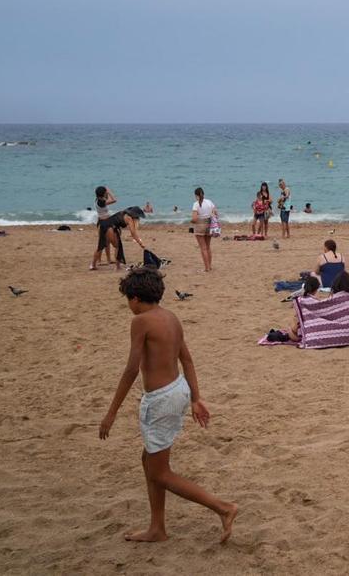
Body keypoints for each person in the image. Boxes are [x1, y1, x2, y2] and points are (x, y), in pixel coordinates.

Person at [98, 267, 237, 543]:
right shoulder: (172, 317)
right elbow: (187, 359)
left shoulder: (141, 322)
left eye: (128, 299)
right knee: (148, 459)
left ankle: (223, 508)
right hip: (178, 391)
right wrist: (196, 398)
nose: (128, 305)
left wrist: (110, 413)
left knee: (159, 471)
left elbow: (130, 370)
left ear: (135, 298)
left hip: (161, 399)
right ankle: (157, 528)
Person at [91, 186, 119, 270]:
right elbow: (114, 200)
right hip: (106, 223)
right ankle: (118, 266)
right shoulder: (101, 202)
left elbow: (106, 198)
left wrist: (105, 192)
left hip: (101, 223)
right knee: (116, 245)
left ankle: (93, 265)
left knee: (102, 245)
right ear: (103, 193)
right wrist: (109, 191)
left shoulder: (97, 200)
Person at [191, 187, 216, 272]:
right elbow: (215, 213)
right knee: (208, 247)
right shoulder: (209, 202)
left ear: (196, 195)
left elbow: (194, 219)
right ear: (203, 194)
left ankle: (207, 268)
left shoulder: (196, 204)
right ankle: (210, 266)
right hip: (209, 224)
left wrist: (190, 221)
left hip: (200, 225)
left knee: (203, 248)